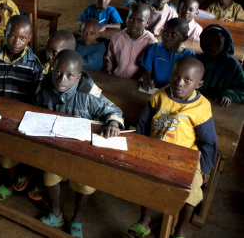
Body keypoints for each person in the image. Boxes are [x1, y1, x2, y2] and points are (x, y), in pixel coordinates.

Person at [127, 57, 217, 238]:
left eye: (187, 80)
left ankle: (179, 231)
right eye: (175, 76)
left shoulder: (201, 107)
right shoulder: (159, 96)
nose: (179, 83)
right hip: (155, 151)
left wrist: (205, 168)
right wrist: (139, 151)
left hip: (186, 158)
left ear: (198, 84)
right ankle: (144, 221)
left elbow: (209, 141)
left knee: (191, 193)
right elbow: (143, 126)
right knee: (146, 183)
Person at [37, 49, 124, 237]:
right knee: (49, 175)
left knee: (85, 183)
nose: (62, 79)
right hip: (56, 147)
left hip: (81, 151)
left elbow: (113, 110)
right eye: (58, 72)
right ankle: (55, 213)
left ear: (78, 77)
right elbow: (33, 106)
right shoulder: (44, 87)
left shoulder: (88, 95)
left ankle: (76, 219)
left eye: (69, 75)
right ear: (51, 69)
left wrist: (113, 122)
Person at [0, 14, 43, 201]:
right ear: (5, 33)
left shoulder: (34, 66)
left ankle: (11, 180)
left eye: (23, 38)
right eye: (12, 36)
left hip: (21, 119)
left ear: (29, 39)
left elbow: (36, 100)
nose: (16, 42)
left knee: (11, 154)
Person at [140, 18, 196, 91]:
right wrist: (148, 79)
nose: (167, 37)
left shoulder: (190, 56)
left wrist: (171, 86)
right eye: (165, 33)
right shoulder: (155, 48)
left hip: (175, 91)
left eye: (173, 35)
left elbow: (189, 78)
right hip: (153, 88)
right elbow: (146, 68)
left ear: (184, 38)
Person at [196, 24, 244, 106]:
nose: (211, 46)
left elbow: (241, 88)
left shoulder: (232, 65)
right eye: (207, 42)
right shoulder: (196, 60)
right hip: (195, 101)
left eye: (216, 43)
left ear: (225, 44)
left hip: (218, 104)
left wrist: (228, 95)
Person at [105, 3, 157, 79]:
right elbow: (110, 60)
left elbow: (152, 66)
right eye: (131, 19)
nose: (134, 24)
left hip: (138, 83)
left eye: (139, 21)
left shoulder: (151, 42)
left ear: (147, 23)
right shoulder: (117, 38)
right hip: (117, 79)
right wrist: (110, 74)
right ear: (126, 18)